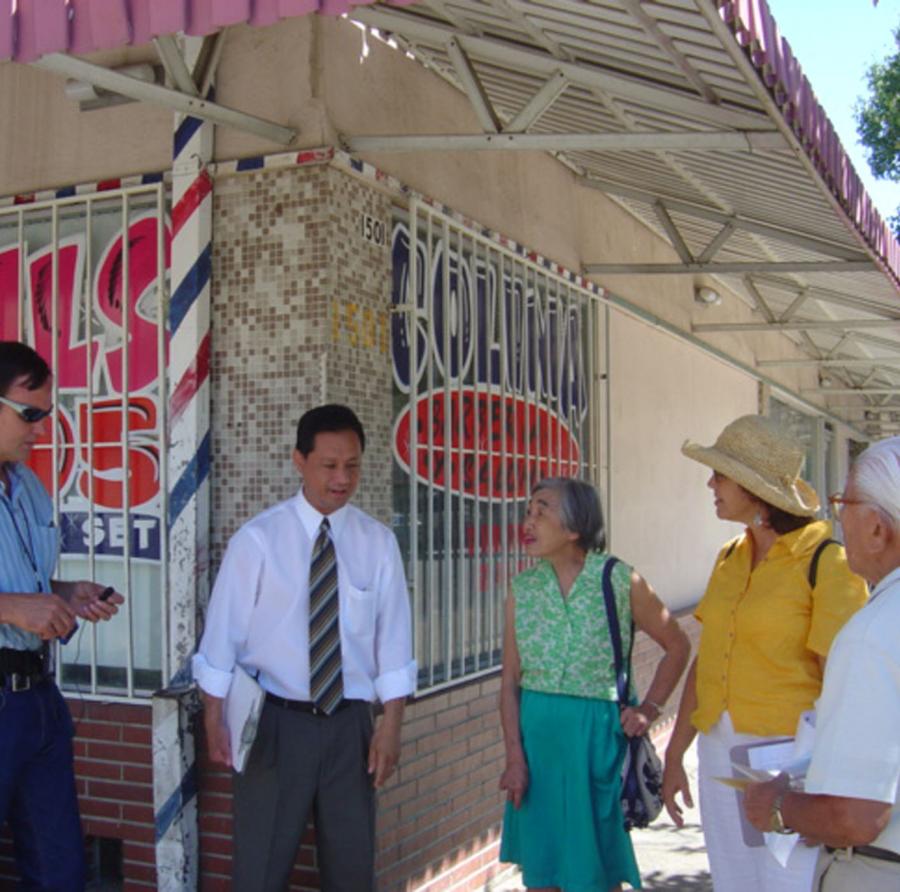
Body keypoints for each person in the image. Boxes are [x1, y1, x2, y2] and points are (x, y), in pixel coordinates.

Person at [192, 403, 415, 892]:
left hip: (351, 728)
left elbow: (394, 643)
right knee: (260, 869)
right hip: (274, 725)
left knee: (352, 871)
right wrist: (214, 716)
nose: (342, 478)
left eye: (352, 465)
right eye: (329, 465)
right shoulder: (258, 540)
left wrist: (391, 726)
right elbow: (222, 637)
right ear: (299, 460)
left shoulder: (377, 543)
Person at [663, 414, 868, 892]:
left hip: (790, 759)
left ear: (754, 489)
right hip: (718, 750)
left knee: (788, 881)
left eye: (720, 474)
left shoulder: (827, 562)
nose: (710, 484)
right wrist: (675, 753)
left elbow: (843, 687)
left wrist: (833, 786)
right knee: (734, 881)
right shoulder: (729, 557)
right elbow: (708, 660)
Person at [498, 477, 690, 892]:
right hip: (537, 748)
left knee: (595, 874)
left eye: (542, 510)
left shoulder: (619, 580)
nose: (528, 521)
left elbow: (677, 645)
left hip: (597, 743)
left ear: (574, 527)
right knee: (542, 873)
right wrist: (514, 757)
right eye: (528, 511)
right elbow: (510, 680)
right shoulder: (522, 589)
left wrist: (650, 708)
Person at [742, 436, 900, 891]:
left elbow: (855, 816)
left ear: (877, 529)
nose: (837, 518)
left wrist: (777, 807)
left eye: (843, 504)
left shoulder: (872, 633)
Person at [0, 340, 123, 891]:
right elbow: (13, 601)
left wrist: (65, 593)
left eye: (45, 415)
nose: (40, 429)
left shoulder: (27, 484)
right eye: (28, 414)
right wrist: (12, 608)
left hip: (38, 700)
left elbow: (24, 584)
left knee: (60, 870)